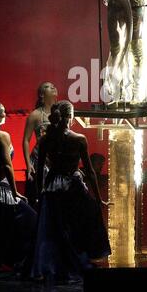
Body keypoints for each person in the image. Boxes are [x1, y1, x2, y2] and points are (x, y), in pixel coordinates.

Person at [31, 101, 111, 282]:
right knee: (77, 226)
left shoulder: (45, 140)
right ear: (71, 117)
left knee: (55, 229)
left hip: (52, 188)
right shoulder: (79, 138)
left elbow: (40, 170)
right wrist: (98, 199)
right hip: (73, 187)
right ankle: (78, 259)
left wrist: (39, 195)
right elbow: (90, 171)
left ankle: (57, 264)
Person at [0, 101, 37, 275]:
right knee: (31, 221)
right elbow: (7, 166)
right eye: (4, 112)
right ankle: (21, 262)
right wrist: (15, 192)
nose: (6, 115)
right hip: (1, 190)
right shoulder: (1, 136)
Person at [23, 81, 58, 208]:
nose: (53, 87)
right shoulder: (35, 115)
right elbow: (26, 140)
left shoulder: (61, 113)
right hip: (39, 161)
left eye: (53, 85)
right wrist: (28, 164)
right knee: (38, 198)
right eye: (49, 86)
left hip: (55, 161)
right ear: (42, 95)